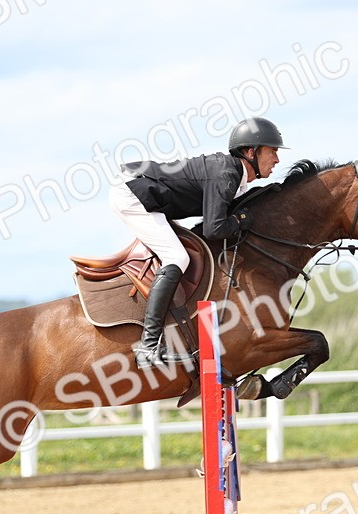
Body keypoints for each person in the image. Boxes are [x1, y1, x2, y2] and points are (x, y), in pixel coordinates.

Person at [109, 117, 286, 368]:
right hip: (131, 193)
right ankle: (148, 347)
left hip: (148, 195)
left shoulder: (234, 177)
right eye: (273, 151)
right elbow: (214, 229)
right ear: (251, 152)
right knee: (177, 257)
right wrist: (240, 219)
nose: (277, 159)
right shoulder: (225, 174)